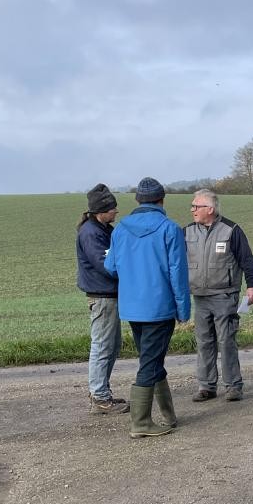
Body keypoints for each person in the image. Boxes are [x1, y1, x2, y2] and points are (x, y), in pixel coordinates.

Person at [104, 177, 191, 439]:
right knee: (150, 363)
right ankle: (140, 423)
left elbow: (111, 267)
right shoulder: (169, 228)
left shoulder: (120, 229)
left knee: (151, 359)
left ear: (138, 201)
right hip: (159, 307)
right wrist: (183, 309)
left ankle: (168, 415)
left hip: (131, 307)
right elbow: (178, 273)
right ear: (161, 200)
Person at [185, 189, 253, 403]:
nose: (192, 210)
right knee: (204, 342)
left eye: (196, 206)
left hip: (225, 295)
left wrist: (252, 286)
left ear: (210, 208)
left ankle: (233, 386)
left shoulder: (231, 230)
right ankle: (207, 386)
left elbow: (247, 260)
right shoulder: (187, 232)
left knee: (226, 341)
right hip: (199, 296)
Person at [76, 183, 126, 415]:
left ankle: (101, 391)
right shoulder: (92, 233)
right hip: (102, 296)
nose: (116, 211)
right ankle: (99, 395)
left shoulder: (100, 229)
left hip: (108, 295)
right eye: (112, 207)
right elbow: (107, 266)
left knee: (112, 345)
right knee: (103, 346)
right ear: (101, 210)